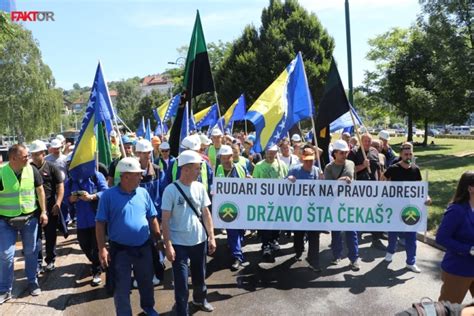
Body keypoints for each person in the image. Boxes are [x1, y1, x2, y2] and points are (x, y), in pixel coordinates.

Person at [96, 157, 161, 316]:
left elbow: (152, 218)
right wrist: (102, 249)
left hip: (143, 247)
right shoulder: (108, 196)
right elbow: (100, 223)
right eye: (138, 174)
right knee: (122, 286)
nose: (141, 177)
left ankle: (148, 307)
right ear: (125, 176)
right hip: (120, 251)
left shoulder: (143, 193)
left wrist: (158, 239)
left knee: (146, 282)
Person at [162, 150, 216, 315]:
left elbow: (206, 213)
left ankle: (200, 299)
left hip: (199, 240)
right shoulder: (170, 190)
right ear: (185, 169)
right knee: (181, 281)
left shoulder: (199, 187)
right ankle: (182, 311)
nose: (199, 172)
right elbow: (165, 220)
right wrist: (168, 245)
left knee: (200, 276)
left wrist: (211, 237)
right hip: (179, 244)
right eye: (197, 168)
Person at [0, 144, 48, 303]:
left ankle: (32, 282)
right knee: (6, 256)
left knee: (31, 251)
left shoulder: (32, 170)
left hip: (29, 219)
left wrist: (43, 212)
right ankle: (5, 289)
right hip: (6, 221)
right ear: (13, 158)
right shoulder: (1, 173)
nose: (29, 158)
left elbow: (40, 191)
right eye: (25, 156)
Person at [383, 142, 431, 273]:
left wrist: (426, 197)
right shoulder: (393, 168)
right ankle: (390, 251)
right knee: (393, 234)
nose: (408, 156)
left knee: (411, 236)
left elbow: (420, 188)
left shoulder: (415, 169)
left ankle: (411, 262)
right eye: (406, 154)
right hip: (394, 207)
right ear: (401, 154)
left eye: (410, 153)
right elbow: (382, 182)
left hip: (410, 209)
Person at [64, 166, 108, 286]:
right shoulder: (71, 181)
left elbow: (106, 191)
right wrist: (71, 199)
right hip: (82, 221)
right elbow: (65, 199)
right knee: (84, 244)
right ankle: (98, 261)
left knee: (96, 246)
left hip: (97, 218)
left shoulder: (96, 176)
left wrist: (92, 196)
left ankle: (96, 271)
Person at [436, 171, 474, 303]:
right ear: (470, 188)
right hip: (459, 269)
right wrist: (469, 249)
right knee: (447, 309)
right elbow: (441, 238)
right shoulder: (456, 210)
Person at [324, 140, 360, 271]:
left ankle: (354, 259)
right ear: (334, 153)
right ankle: (336, 255)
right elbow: (327, 188)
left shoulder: (351, 163)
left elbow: (355, 181)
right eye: (341, 153)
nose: (344, 155)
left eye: (346, 152)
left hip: (350, 203)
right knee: (336, 231)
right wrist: (341, 180)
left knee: (352, 232)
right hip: (335, 204)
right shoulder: (329, 167)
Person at [30, 140, 65, 272]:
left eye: (36, 153)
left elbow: (60, 186)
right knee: (35, 237)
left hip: (50, 206)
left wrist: (58, 203)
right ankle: (38, 262)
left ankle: (50, 259)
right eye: (32, 154)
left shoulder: (51, 167)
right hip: (33, 208)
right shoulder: (29, 169)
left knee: (50, 235)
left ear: (43, 153)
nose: (34, 156)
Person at [135, 139, 167, 286]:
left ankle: (156, 272)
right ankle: (139, 275)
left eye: (148, 152)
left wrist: (161, 214)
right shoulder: (133, 172)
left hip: (155, 216)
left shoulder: (158, 170)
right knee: (138, 247)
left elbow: (164, 191)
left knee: (156, 245)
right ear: (138, 153)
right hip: (138, 217)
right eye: (144, 152)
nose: (148, 155)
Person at [287, 147, 322, 271]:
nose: (309, 162)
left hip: (313, 210)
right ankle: (298, 250)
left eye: (311, 160)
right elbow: (282, 187)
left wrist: (323, 181)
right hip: (298, 209)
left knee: (314, 236)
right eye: (307, 160)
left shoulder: (318, 172)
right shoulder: (294, 170)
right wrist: (288, 180)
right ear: (302, 159)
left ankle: (314, 261)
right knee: (298, 234)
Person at [215, 145, 250, 270]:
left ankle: (237, 247)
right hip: (227, 207)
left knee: (240, 231)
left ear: (231, 157)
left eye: (226, 157)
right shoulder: (217, 169)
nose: (224, 160)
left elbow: (249, 182)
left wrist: (250, 180)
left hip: (241, 204)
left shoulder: (241, 168)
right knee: (232, 231)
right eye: (222, 158)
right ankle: (237, 256)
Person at [348, 133, 384, 249]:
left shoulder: (374, 151)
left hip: (373, 187)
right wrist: (363, 166)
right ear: (360, 141)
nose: (368, 143)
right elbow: (350, 170)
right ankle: (355, 239)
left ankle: (376, 238)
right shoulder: (353, 152)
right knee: (359, 213)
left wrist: (380, 180)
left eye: (369, 141)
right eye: (365, 141)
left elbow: (378, 168)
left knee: (374, 213)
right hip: (359, 188)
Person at [252, 144, 288, 260]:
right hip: (263, 201)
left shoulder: (281, 164)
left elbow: (286, 179)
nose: (271, 154)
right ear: (265, 152)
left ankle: (274, 240)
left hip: (278, 199)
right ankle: (266, 244)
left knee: (276, 222)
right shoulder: (259, 166)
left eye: (273, 152)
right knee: (265, 223)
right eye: (269, 152)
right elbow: (254, 182)